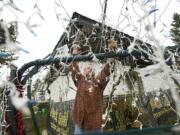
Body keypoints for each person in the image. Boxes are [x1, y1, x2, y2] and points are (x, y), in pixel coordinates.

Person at [71, 47, 110, 134]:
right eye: (86, 68)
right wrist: (74, 55)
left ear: (93, 73)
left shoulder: (98, 83)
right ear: (83, 72)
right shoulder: (80, 81)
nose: (89, 70)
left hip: (94, 127)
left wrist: (112, 55)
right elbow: (74, 71)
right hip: (79, 125)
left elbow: (105, 73)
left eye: (90, 69)